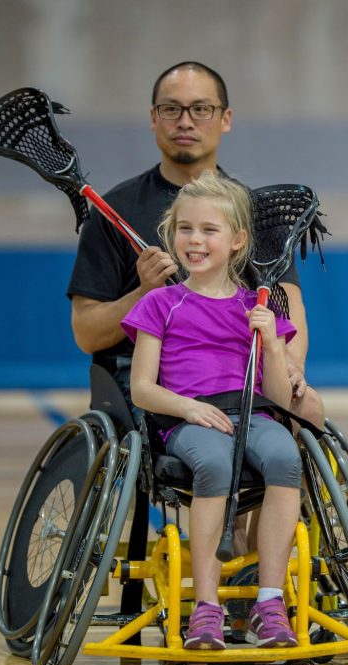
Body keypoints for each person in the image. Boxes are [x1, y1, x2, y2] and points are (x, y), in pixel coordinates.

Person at [66, 60, 323, 427]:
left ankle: (294, 487)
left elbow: (289, 305)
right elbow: (86, 333)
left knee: (307, 408)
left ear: (225, 118)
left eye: (201, 109)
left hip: (238, 371)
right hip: (152, 380)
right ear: (153, 118)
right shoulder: (113, 212)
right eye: (171, 109)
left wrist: (290, 365)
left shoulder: (256, 214)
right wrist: (143, 292)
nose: (185, 121)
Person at [124, 172, 301, 649]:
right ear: (171, 232)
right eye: (185, 228)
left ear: (238, 240)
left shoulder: (256, 307)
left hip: (253, 414)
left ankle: (268, 603)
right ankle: (206, 607)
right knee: (216, 463)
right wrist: (189, 408)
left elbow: (281, 399)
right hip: (188, 419)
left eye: (209, 230)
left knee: (286, 456)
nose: (195, 240)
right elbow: (141, 389)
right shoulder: (161, 303)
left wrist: (272, 345)